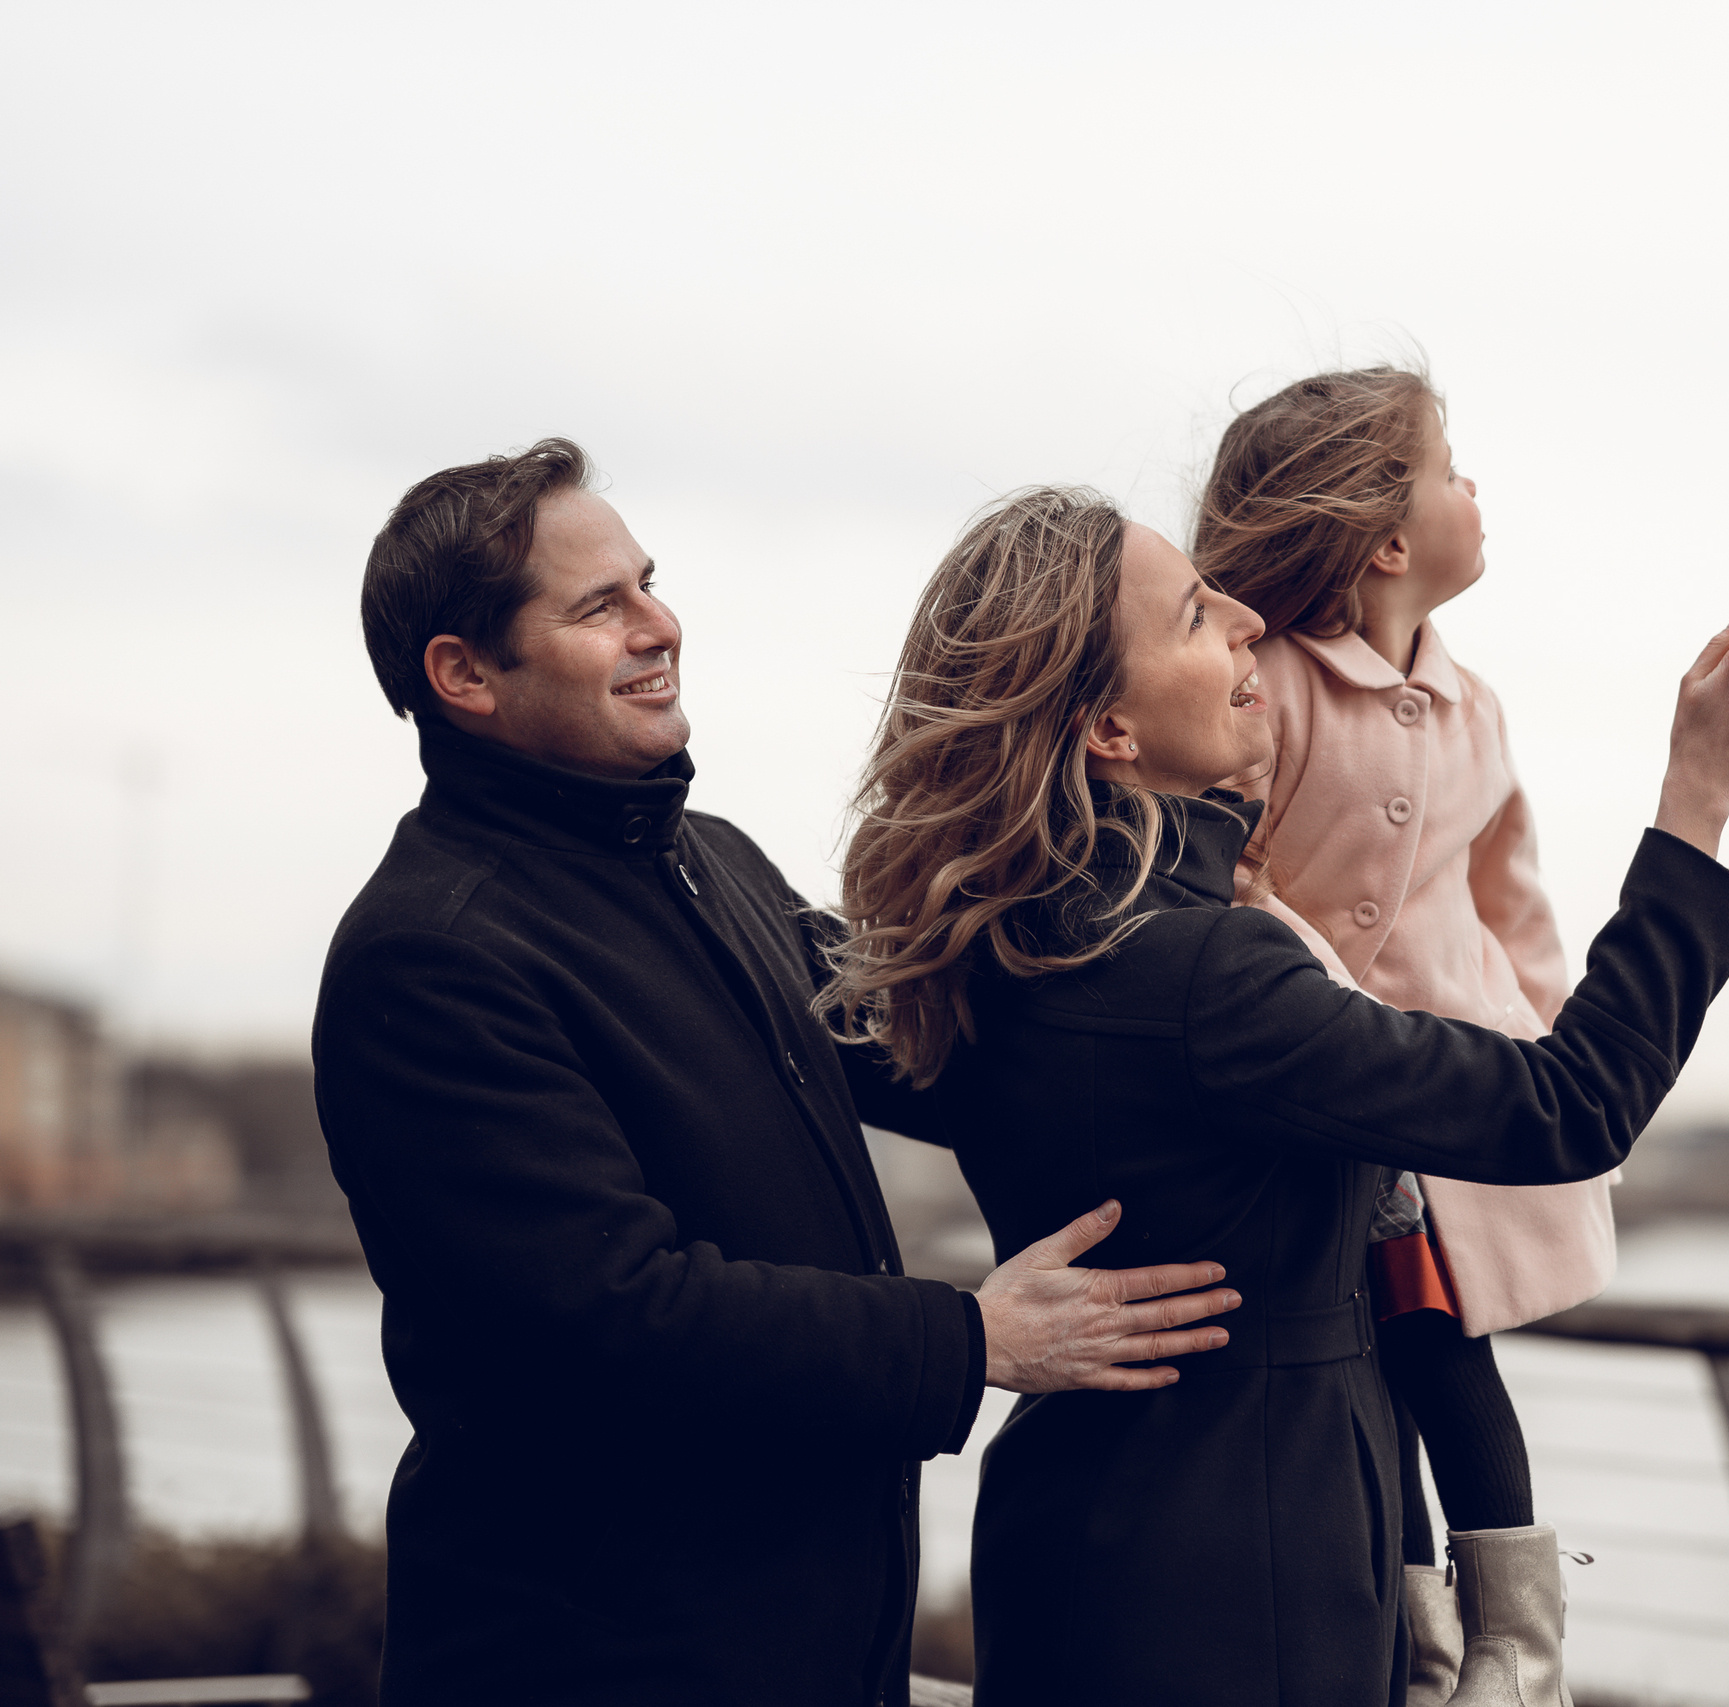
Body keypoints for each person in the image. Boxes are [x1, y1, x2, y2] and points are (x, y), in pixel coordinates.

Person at [825, 486, 1729, 1706]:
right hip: (1252, 1598)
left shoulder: (990, 949)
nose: (1248, 620)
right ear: (1109, 730)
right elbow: (1568, 1108)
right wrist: (1699, 796)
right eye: (1196, 615)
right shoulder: (1208, 976)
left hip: (1066, 1555)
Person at [311, 439, 1241, 1707]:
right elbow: (610, 1323)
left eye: (648, 583)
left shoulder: (713, 862)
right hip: (600, 1667)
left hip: (804, 1651)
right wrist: (973, 1337)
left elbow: (945, 1049)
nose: (659, 626)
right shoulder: (432, 954)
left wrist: (1220, 978)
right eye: (599, 607)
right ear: (463, 674)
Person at [1191, 366, 1618, 1701]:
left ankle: (1516, 1658)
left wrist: (1553, 1055)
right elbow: (1230, 882)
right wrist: (1327, 1002)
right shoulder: (1264, 686)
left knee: (1444, 1357)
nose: (1474, 489)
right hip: (1316, 1104)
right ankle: (1426, 1659)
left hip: (1449, 1112)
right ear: (1384, 538)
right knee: (1369, 1383)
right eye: (1450, 468)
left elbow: (1512, 892)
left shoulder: (1474, 704)